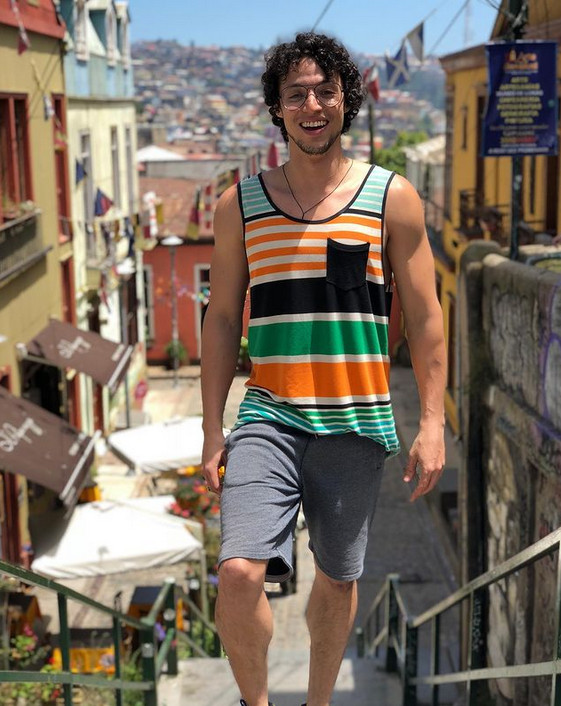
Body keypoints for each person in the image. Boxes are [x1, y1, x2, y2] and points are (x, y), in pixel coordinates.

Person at [201, 31, 446, 706]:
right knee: (239, 572)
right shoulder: (239, 206)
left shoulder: (391, 198)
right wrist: (212, 430)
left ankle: (317, 701)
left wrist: (431, 423)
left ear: (346, 101)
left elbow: (426, 315)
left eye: (324, 91)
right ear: (276, 109)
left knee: (337, 580)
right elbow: (221, 320)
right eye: (296, 94)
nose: (311, 105)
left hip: (355, 421)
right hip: (268, 414)